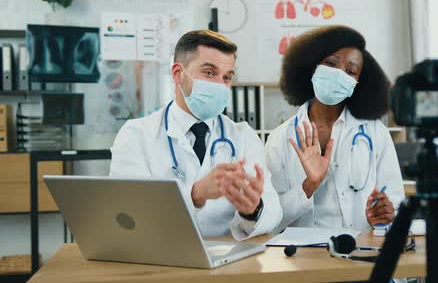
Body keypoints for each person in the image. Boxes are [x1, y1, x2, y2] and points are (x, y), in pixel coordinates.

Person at [110, 30, 282, 240]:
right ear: (178, 73)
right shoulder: (136, 135)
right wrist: (194, 194)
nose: (220, 85)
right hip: (161, 263)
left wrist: (253, 210)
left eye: (227, 77)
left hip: (229, 262)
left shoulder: (243, 136)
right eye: (209, 73)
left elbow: (274, 212)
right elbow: (129, 213)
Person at [266, 25, 405, 231]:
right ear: (313, 67)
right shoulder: (281, 138)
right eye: (330, 63)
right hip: (304, 256)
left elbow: (395, 202)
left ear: (358, 83)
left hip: (359, 250)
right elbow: (269, 219)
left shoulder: (375, 133)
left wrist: (386, 212)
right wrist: (309, 186)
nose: (339, 74)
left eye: (350, 71)